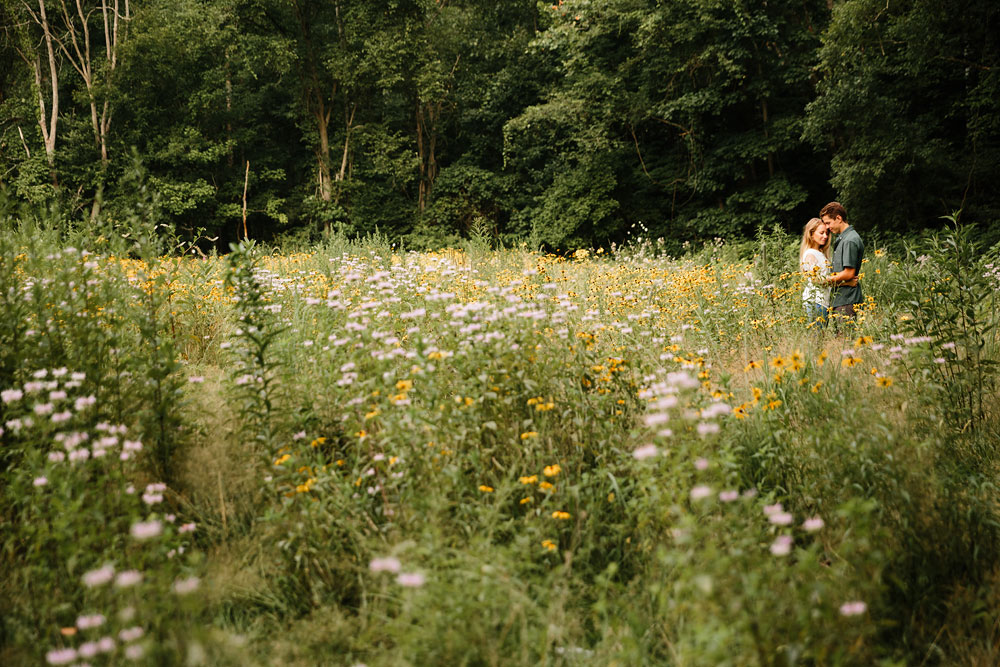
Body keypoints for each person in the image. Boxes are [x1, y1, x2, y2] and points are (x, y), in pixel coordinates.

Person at [820, 201, 864, 322]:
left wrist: (825, 281)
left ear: (839, 218)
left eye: (828, 223)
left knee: (845, 339)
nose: (827, 227)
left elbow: (849, 273)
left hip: (847, 300)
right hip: (840, 299)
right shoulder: (843, 238)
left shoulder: (849, 240)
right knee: (840, 339)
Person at [799, 217, 832, 327]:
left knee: (819, 337)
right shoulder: (810, 254)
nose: (825, 236)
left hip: (822, 301)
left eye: (826, 233)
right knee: (817, 338)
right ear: (811, 234)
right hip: (815, 301)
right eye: (821, 233)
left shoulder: (819, 253)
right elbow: (816, 279)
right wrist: (842, 280)